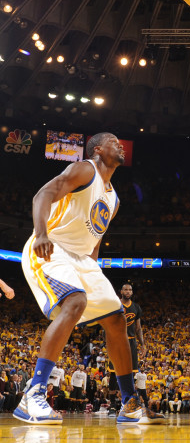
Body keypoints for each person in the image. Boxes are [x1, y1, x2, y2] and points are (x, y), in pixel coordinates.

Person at [14, 133, 161, 425]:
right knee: (76, 300)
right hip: (52, 246)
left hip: (83, 260)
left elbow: (95, 240)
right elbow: (42, 194)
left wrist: (92, 273)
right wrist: (41, 233)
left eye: (122, 142)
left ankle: (129, 404)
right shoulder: (85, 169)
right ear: (98, 149)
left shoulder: (114, 199)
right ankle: (33, 394)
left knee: (118, 318)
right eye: (114, 141)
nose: (120, 145)